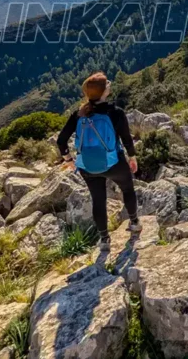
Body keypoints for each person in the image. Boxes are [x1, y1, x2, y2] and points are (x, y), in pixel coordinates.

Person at [57, 72, 142, 251]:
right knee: (127, 189)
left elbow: (61, 140)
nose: (110, 84)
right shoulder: (115, 112)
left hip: (87, 166)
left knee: (98, 199)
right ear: (104, 92)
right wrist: (132, 158)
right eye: (107, 83)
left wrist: (70, 160)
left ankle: (104, 239)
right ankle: (134, 223)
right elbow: (126, 139)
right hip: (114, 162)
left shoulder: (78, 114)